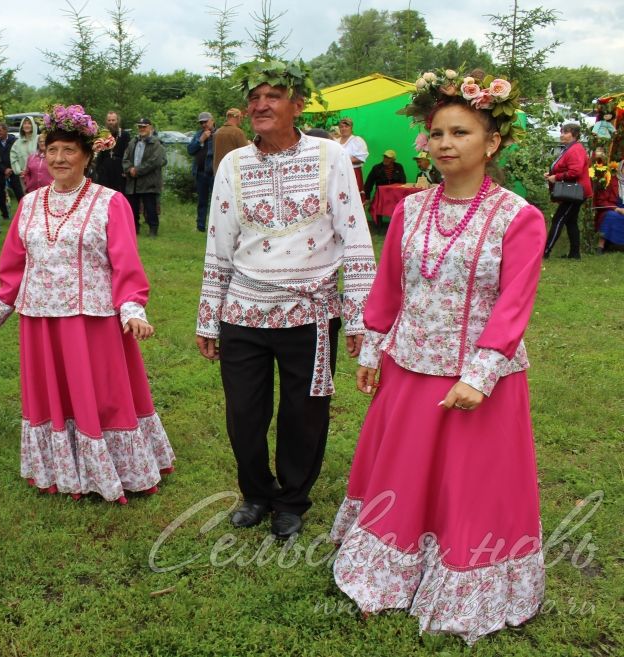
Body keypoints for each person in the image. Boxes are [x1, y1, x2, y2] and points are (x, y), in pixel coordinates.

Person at [331, 69, 546, 644]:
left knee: (467, 486)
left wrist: (480, 374)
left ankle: (463, 582)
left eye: (461, 132)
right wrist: (373, 348)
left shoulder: (518, 217)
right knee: (402, 475)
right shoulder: (410, 209)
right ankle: (387, 574)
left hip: (480, 379)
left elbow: (514, 303)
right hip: (409, 366)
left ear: (492, 142)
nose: (444, 144)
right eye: (436, 133)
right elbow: (390, 286)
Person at [195, 59, 376, 540]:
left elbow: (354, 234)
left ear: (297, 105)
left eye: (272, 96)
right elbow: (220, 241)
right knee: (244, 415)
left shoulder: (329, 156)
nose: (259, 104)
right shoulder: (234, 164)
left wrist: (359, 316)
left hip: (311, 312)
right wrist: (209, 318)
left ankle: (292, 499)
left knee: (305, 413)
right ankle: (256, 493)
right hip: (243, 311)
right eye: (254, 97)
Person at [0, 104, 174, 503]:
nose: (59, 159)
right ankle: (63, 468)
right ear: (43, 154)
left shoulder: (109, 201)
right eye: (52, 150)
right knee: (53, 396)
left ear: (87, 155)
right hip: (39, 321)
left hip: (91, 319)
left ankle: (111, 469)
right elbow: (13, 266)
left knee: (99, 393)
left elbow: (126, 264)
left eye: (69, 150)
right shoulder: (29, 204)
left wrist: (132, 310)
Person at [543, 123, 592, 259]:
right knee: (571, 221)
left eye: (565, 132)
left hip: (574, 191)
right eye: (562, 132)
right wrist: (552, 173)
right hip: (574, 190)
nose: (562, 135)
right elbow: (567, 167)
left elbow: (575, 171)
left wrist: (556, 177)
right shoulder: (570, 148)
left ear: (574, 135)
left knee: (558, 219)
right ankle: (575, 254)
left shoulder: (575, 149)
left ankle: (545, 251)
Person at [122, 118, 166, 236]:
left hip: (149, 180)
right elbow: (125, 158)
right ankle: (134, 229)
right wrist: (129, 169)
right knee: (133, 208)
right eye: (140, 127)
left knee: (150, 207)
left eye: (144, 126)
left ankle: (153, 230)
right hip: (133, 181)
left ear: (150, 127)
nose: (142, 129)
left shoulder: (156, 143)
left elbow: (155, 162)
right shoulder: (133, 142)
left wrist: (138, 170)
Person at [187, 111, 216, 232]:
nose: (204, 124)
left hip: (214, 173)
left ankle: (215, 227)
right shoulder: (198, 134)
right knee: (202, 201)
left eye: (206, 121)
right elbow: (190, 150)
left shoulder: (219, 134)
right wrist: (201, 140)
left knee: (216, 202)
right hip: (200, 172)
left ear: (212, 120)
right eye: (201, 123)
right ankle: (200, 226)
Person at [0, 122, 24, 225]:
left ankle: (23, 212)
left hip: (13, 170)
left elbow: (19, 155)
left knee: (18, 191)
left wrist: (11, 168)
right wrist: (3, 169)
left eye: (0, 130)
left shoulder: (14, 141)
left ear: (6, 131)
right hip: (0, 172)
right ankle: (5, 215)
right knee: (1, 194)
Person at [92, 111, 129, 192]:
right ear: (106, 121)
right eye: (109, 120)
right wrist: (98, 169)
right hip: (105, 168)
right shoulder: (103, 135)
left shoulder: (124, 135)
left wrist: (126, 170)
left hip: (119, 168)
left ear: (117, 121)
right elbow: (99, 153)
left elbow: (128, 154)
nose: (111, 122)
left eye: (113, 120)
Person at [336, 117, 369, 200]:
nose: (343, 128)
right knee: (340, 197)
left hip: (353, 173)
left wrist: (343, 160)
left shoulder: (357, 141)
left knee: (353, 198)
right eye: (341, 127)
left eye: (346, 126)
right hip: (338, 174)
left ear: (351, 128)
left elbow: (361, 158)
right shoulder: (336, 141)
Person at [212, 107, 248, 174]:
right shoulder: (237, 132)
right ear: (237, 117)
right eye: (241, 117)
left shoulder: (217, 132)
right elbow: (245, 153)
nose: (241, 120)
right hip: (232, 172)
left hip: (218, 172)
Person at [10, 116, 39, 185]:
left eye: (29, 123)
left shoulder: (39, 139)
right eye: (24, 123)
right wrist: (19, 171)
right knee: (28, 195)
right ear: (22, 127)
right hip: (24, 177)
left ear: (33, 126)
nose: (27, 125)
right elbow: (13, 158)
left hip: (39, 175)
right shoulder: (17, 143)